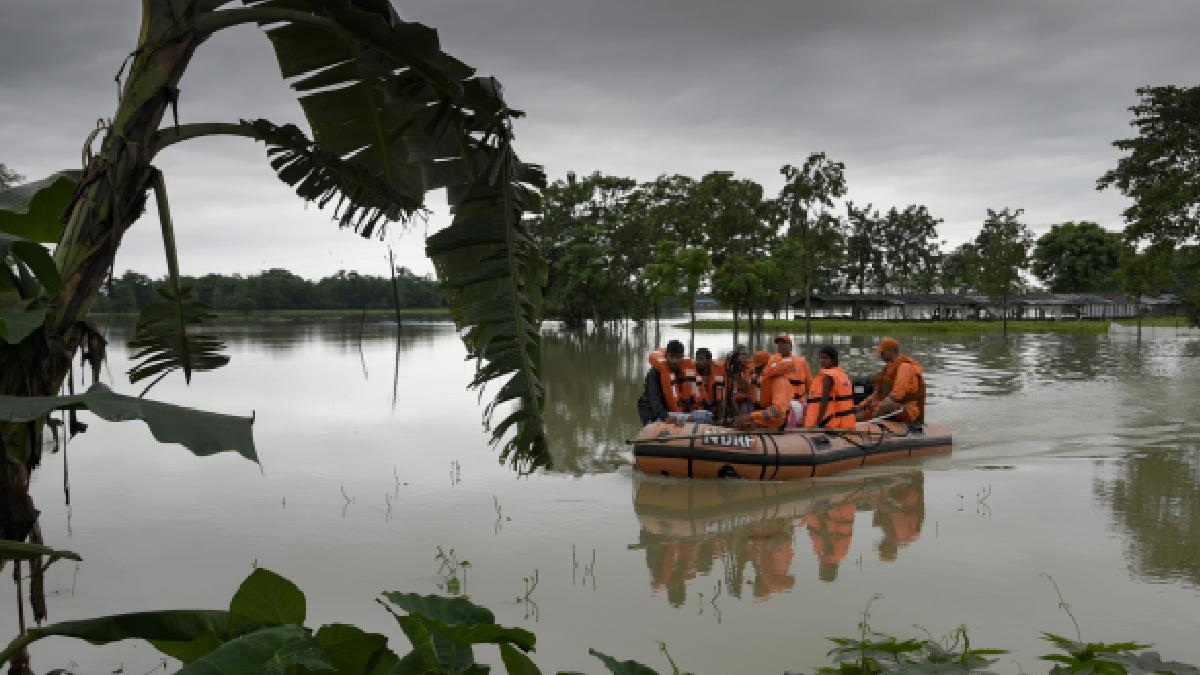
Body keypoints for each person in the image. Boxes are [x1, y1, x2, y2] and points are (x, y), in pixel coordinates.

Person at [858, 338, 926, 423]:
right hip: (888, 406)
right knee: (871, 406)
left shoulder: (905, 367)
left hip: (907, 410)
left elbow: (896, 396)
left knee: (887, 406)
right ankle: (861, 417)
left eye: (882, 352)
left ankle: (863, 420)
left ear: (891, 351)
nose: (880, 355)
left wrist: (875, 408)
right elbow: (878, 393)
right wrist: (861, 405)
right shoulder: (888, 367)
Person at [637, 339, 699, 424]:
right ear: (667, 356)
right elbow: (654, 398)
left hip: (673, 410)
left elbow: (689, 393)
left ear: (682, 357)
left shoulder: (684, 372)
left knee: (707, 416)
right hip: (654, 412)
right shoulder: (654, 373)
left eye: (678, 357)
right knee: (690, 419)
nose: (675, 361)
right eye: (672, 357)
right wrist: (664, 416)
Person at [804, 346, 856, 429]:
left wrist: (817, 422)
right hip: (844, 422)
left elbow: (824, 401)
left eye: (825, 358)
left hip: (829, 423)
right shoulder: (841, 373)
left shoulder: (828, 376)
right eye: (821, 358)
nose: (821, 361)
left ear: (834, 359)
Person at [737, 350, 790, 429]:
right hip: (769, 419)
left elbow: (778, 411)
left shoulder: (779, 381)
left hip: (780, 423)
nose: (755, 372)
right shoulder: (766, 380)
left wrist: (751, 416)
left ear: (766, 366)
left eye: (757, 369)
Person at [765, 335, 812, 405]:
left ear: (790, 346)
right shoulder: (772, 360)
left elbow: (810, 384)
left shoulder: (802, 362)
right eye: (779, 344)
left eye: (784, 343)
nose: (781, 346)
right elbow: (767, 375)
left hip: (798, 402)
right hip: (780, 402)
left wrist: (813, 402)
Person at [693, 347, 726, 414]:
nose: (698, 362)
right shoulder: (691, 374)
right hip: (697, 411)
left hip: (714, 409)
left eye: (701, 359)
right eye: (697, 359)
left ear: (709, 361)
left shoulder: (718, 373)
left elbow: (721, 400)